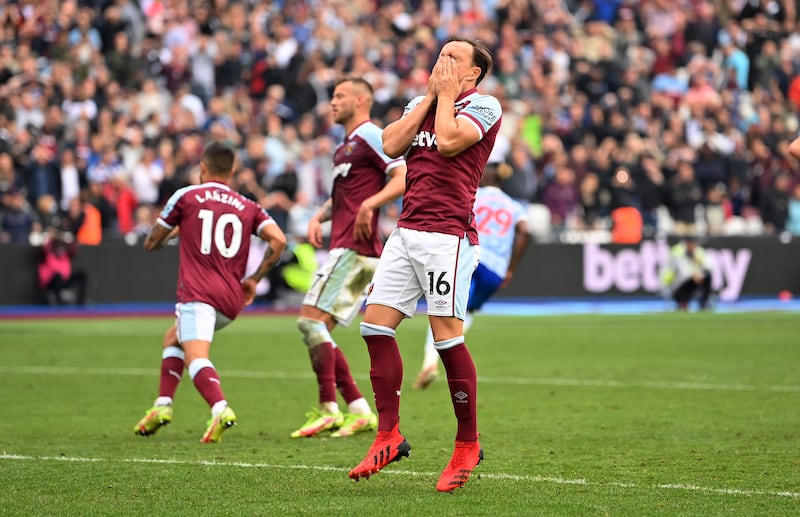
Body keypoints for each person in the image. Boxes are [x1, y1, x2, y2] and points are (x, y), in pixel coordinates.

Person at [348, 36, 502, 492]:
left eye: (454, 57)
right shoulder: (421, 101)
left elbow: (452, 142)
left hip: (448, 238)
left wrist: (448, 97)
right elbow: (392, 145)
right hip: (406, 233)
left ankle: (467, 443)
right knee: (373, 327)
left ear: (472, 72)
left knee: (446, 338)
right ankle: (388, 434)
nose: (442, 61)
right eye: (441, 54)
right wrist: (432, 97)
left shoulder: (485, 105)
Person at [133, 141, 287, 443]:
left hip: (198, 293)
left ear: (202, 169)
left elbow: (151, 243)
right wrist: (255, 278)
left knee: (196, 355)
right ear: (232, 170)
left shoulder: (186, 197)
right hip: (231, 299)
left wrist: (176, 230)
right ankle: (162, 406)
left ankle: (220, 409)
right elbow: (278, 240)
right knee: (173, 337)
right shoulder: (247, 205)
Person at [291, 77, 407, 439]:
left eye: (339, 96)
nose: (332, 102)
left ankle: (328, 407)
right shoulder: (343, 147)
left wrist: (371, 205)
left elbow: (403, 176)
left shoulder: (372, 135)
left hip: (355, 249)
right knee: (318, 328)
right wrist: (318, 216)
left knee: (309, 323)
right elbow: (344, 198)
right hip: (354, 250)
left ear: (361, 100)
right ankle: (358, 409)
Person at [413, 162, 529, 389]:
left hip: (471, 258)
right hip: (495, 271)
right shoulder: (514, 206)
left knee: (442, 307)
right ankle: (444, 353)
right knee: (468, 310)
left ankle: (431, 361)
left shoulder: (474, 195)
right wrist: (511, 268)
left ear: (485, 177)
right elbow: (526, 230)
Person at [660, 236, 714, 311]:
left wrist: (699, 265)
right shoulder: (677, 252)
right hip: (677, 286)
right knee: (692, 279)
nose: (692, 247)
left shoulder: (698, 252)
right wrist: (694, 275)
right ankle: (682, 302)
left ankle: (704, 302)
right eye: (690, 244)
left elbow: (709, 267)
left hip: (692, 282)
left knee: (707, 276)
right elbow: (681, 272)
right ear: (686, 244)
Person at [37, 229, 88, 306]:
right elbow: (44, 247)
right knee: (57, 276)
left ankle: (81, 304)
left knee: (82, 274)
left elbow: (75, 248)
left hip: (64, 281)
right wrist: (51, 236)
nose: (60, 249)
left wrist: (64, 237)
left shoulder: (65, 255)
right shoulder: (48, 254)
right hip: (50, 283)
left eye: (61, 247)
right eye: (57, 247)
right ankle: (59, 303)